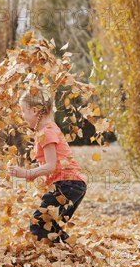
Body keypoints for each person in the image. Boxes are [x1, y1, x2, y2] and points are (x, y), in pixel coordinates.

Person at [7, 88, 87, 244]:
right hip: (73, 185)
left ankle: (55, 258)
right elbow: (50, 165)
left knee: (38, 224)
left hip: (67, 184)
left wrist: (26, 173)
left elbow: (50, 166)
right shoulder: (48, 130)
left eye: (23, 111)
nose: (22, 116)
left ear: (35, 110)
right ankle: (69, 251)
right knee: (51, 226)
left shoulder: (46, 132)